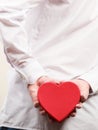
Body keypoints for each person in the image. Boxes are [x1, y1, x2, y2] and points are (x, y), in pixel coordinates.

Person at [0, 0, 98, 130]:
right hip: (86, 117)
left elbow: (8, 10)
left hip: (29, 115)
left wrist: (31, 71)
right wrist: (89, 81)